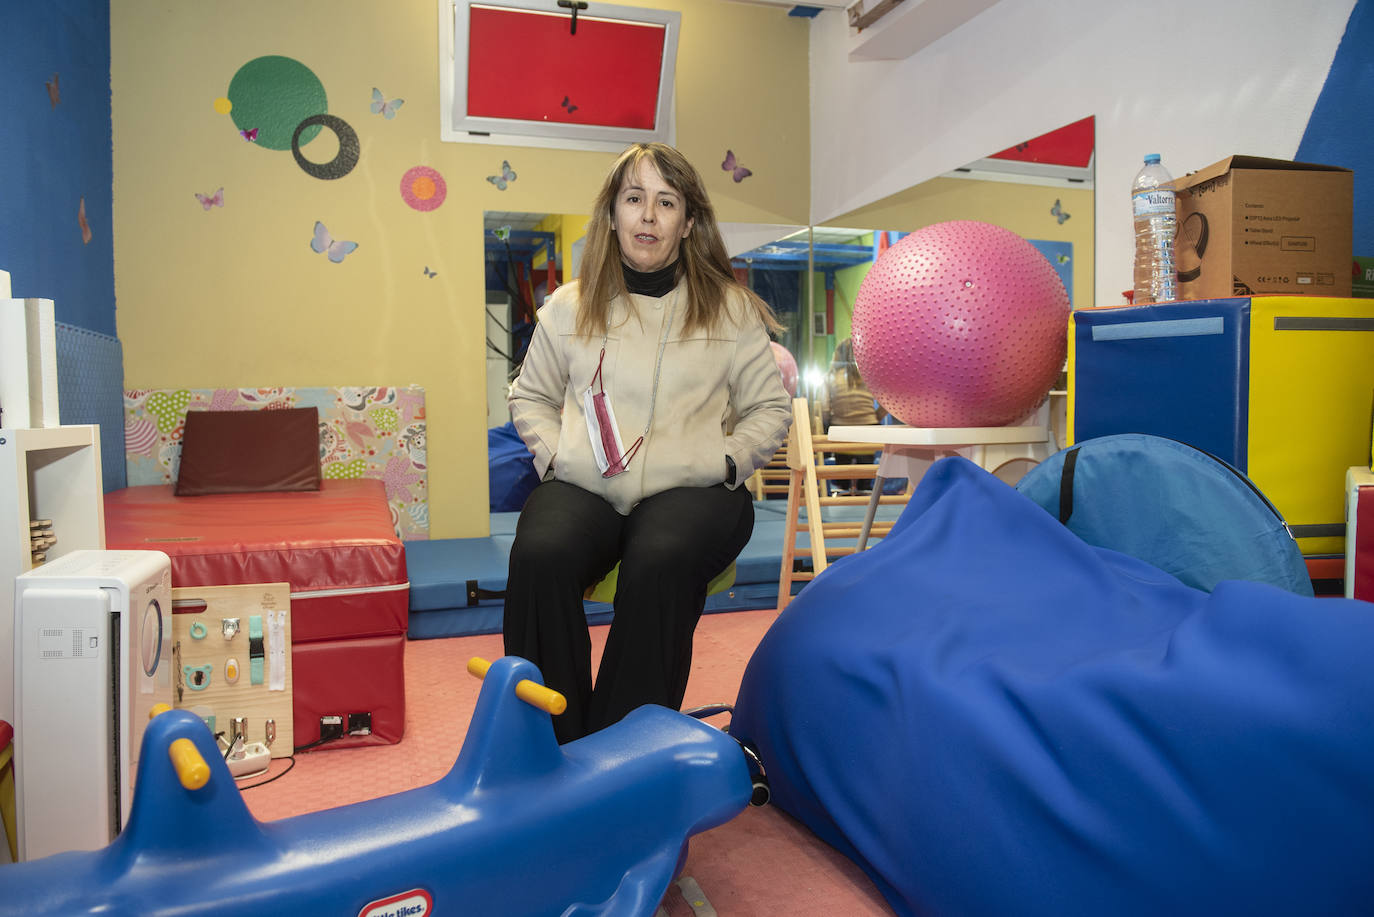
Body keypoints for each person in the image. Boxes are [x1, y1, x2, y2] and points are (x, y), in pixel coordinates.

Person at [504, 142, 793, 744]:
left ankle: (620, 749)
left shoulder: (731, 311)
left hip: (694, 488)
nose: (648, 217)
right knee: (540, 551)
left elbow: (768, 410)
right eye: (634, 200)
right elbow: (528, 397)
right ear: (613, 214)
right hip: (590, 484)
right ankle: (552, 741)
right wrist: (558, 456)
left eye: (666, 203)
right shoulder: (569, 307)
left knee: (659, 557)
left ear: (688, 223)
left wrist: (727, 460)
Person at [822, 337, 885, 495]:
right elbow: (886, 403)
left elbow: (823, 407)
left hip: (841, 431)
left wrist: (828, 425)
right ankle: (865, 491)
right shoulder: (869, 375)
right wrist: (875, 417)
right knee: (866, 473)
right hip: (869, 431)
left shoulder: (830, 377)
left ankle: (842, 490)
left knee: (842, 472)